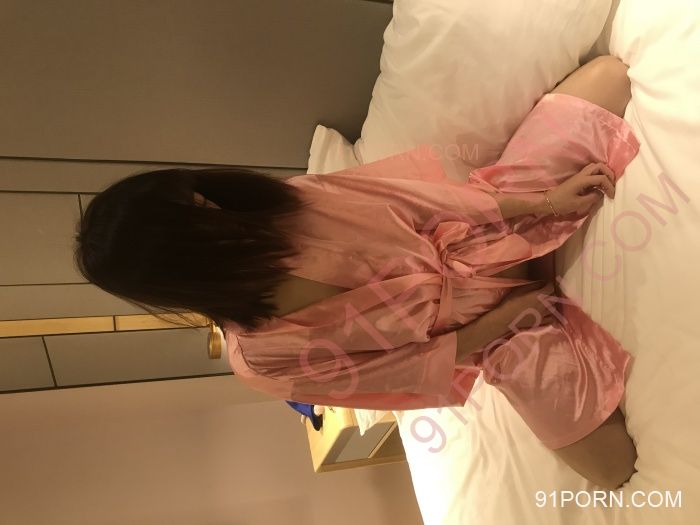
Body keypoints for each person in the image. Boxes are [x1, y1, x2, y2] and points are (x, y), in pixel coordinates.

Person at [75, 56, 639, 488]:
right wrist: (511, 315)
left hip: (490, 226)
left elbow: (429, 205)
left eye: (196, 197)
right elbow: (413, 366)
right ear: (184, 269)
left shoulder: (289, 204)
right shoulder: (265, 360)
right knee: (611, 468)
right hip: (498, 332)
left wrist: (544, 203)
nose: (213, 207)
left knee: (607, 77)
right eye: (197, 220)